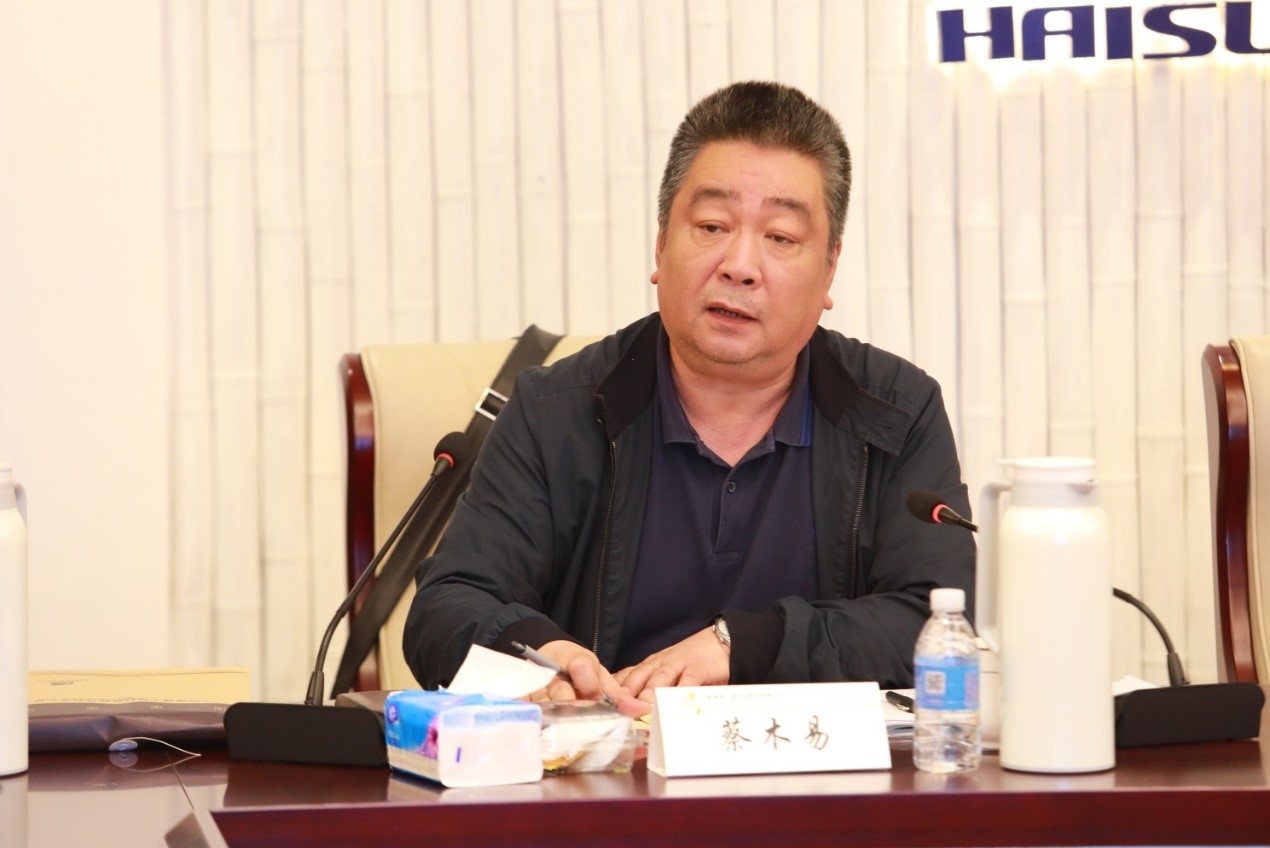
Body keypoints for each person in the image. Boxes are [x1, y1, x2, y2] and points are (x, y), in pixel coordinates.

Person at [403, 80, 975, 716]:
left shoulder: (896, 413)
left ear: (829, 269)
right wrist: (541, 653)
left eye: (781, 237)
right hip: (609, 768)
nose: (740, 265)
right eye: (711, 226)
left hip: (816, 772)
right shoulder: (554, 411)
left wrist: (744, 645)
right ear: (660, 246)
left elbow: (933, 617)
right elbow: (447, 604)